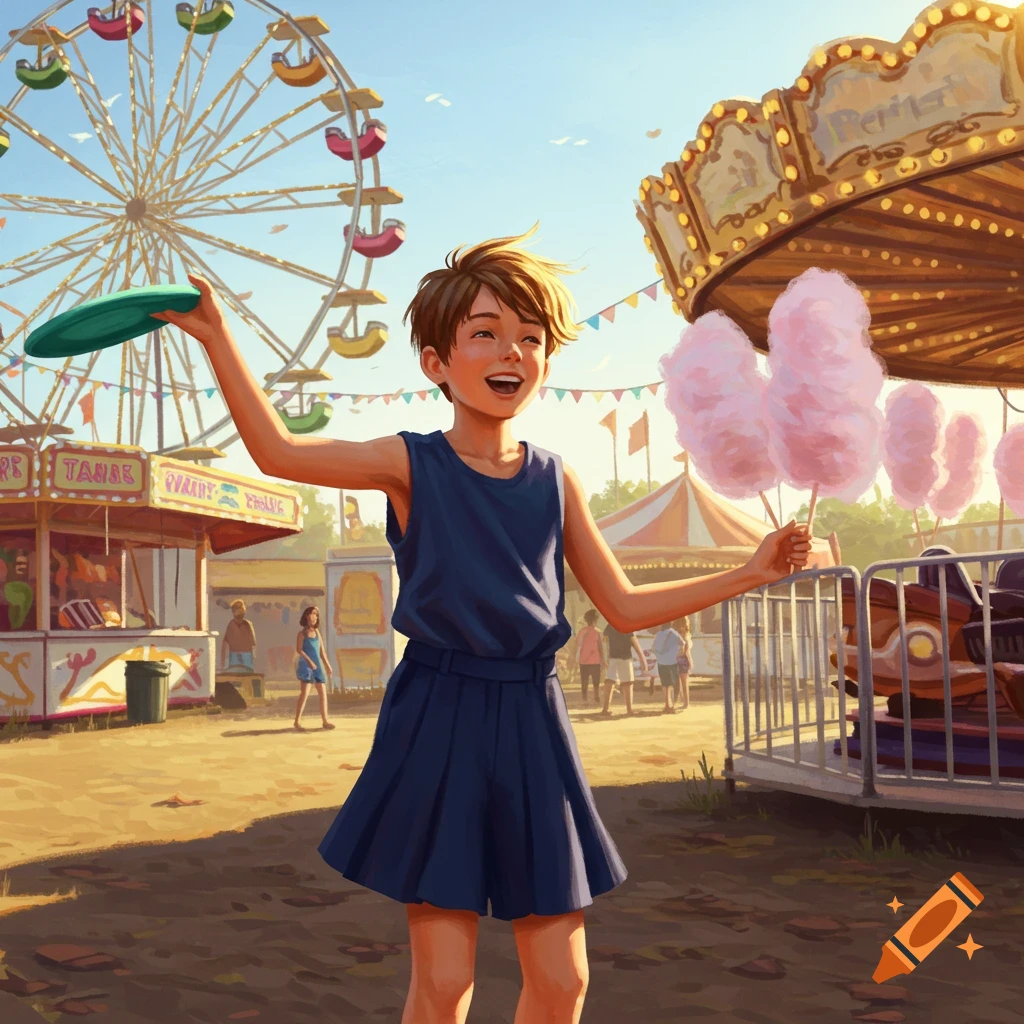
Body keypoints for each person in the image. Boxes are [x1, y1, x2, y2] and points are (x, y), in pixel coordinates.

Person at [154, 228, 811, 1024]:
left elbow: (626, 606)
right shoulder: (409, 463)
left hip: (535, 718)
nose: (513, 352)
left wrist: (751, 572)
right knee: (444, 982)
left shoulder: (553, 479)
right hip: (438, 713)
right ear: (437, 361)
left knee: (564, 982)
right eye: (486, 333)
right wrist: (219, 336)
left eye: (530, 338)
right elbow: (276, 450)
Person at [293, 606, 335, 731]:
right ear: (307, 616)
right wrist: (309, 662)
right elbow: (299, 650)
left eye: (317, 615)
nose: (315, 617)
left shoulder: (317, 633)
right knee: (305, 693)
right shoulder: (301, 634)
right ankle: (297, 721)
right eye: (313, 614)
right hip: (306, 666)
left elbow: (322, 652)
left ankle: (325, 721)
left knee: (322, 693)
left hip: (318, 666)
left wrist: (327, 665)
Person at [600, 622, 647, 716]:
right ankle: (629, 710)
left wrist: (604, 658)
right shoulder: (626, 625)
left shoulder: (609, 626)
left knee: (610, 682)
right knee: (627, 683)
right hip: (625, 658)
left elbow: (605, 642)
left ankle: (605, 709)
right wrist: (643, 659)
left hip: (612, 658)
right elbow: (634, 642)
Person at [652, 622, 684, 713]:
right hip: (672, 662)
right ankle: (672, 705)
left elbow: (653, 648)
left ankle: (667, 704)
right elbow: (683, 643)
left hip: (661, 662)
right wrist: (678, 654)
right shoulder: (673, 632)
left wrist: (659, 656)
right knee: (673, 684)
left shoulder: (658, 634)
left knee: (665, 684)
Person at [575, 608, 603, 704]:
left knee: (584, 680)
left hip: (584, 661)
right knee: (596, 681)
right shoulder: (598, 632)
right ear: (595, 620)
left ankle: (585, 699)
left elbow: (577, 644)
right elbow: (600, 647)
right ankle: (596, 697)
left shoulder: (582, 631)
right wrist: (603, 659)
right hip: (595, 661)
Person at [222, 599, 256, 672]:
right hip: (235, 654)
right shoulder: (231, 625)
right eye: (237, 610)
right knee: (235, 674)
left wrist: (253, 654)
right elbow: (225, 641)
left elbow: (253, 641)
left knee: (247, 673)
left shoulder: (247, 624)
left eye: (241, 610)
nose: (240, 612)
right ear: (233, 612)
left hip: (246, 653)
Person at [676, 617, 693, 708]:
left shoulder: (676, 634)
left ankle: (679, 701)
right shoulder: (686, 635)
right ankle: (686, 703)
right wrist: (690, 661)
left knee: (677, 683)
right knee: (684, 683)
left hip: (676, 660)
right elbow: (686, 651)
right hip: (684, 660)